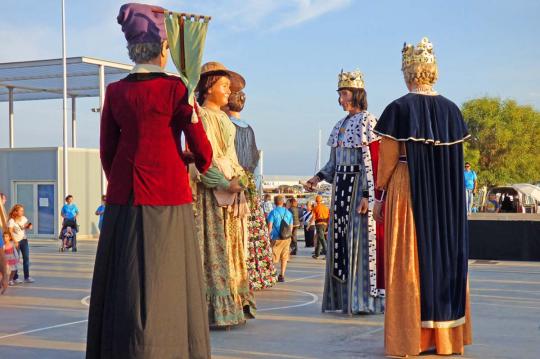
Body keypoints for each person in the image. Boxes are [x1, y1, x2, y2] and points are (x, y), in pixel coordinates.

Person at [86, 4, 213, 358]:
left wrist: (121, 183)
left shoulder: (116, 92)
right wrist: (195, 160)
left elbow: (107, 150)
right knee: (169, 277)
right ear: (162, 49)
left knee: (123, 278)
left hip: (124, 194)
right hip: (168, 193)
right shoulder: (176, 89)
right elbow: (201, 146)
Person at [373, 37, 472, 356]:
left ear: (408, 73)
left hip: (408, 187)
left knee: (408, 258)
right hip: (447, 195)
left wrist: (378, 195)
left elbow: (387, 161)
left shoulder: (398, 108)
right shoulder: (452, 111)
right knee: (445, 256)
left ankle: (409, 338)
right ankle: (445, 339)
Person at [305, 69, 385, 315]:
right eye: (340, 93)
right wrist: (317, 178)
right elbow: (333, 163)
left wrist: (365, 194)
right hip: (339, 188)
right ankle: (342, 300)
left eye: (345, 93)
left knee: (358, 242)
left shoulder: (369, 121)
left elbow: (372, 161)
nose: (341, 99)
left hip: (357, 190)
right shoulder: (339, 125)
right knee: (339, 243)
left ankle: (362, 301)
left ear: (357, 94)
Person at [193, 61, 256, 327]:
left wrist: (241, 179)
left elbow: (231, 153)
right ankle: (212, 309)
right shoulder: (202, 115)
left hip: (231, 185)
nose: (229, 92)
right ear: (208, 88)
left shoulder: (223, 117)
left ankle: (233, 301)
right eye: (224, 86)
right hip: (213, 191)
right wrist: (223, 182)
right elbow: (202, 158)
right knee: (213, 246)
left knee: (232, 246)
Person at [225, 90, 276, 291]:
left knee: (236, 232)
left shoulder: (226, 125)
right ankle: (258, 275)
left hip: (233, 183)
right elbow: (254, 161)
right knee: (254, 232)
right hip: (250, 185)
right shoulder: (249, 129)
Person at [267, 195, 293, 282]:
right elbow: (291, 227)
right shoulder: (288, 213)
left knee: (273, 257)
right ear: (283, 202)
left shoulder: (273, 212)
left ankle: (272, 274)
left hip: (276, 237)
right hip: (286, 238)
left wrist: (268, 237)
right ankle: (282, 275)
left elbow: (270, 227)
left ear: (274, 202)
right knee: (284, 257)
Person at [7, 204, 34, 283]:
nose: (22, 212)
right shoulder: (11, 221)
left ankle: (27, 277)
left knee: (26, 258)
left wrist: (29, 226)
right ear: (16, 211)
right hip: (16, 242)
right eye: (21, 210)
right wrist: (14, 241)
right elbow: (10, 231)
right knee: (16, 259)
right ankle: (15, 278)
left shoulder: (24, 218)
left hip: (24, 240)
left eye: (23, 210)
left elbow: (24, 226)